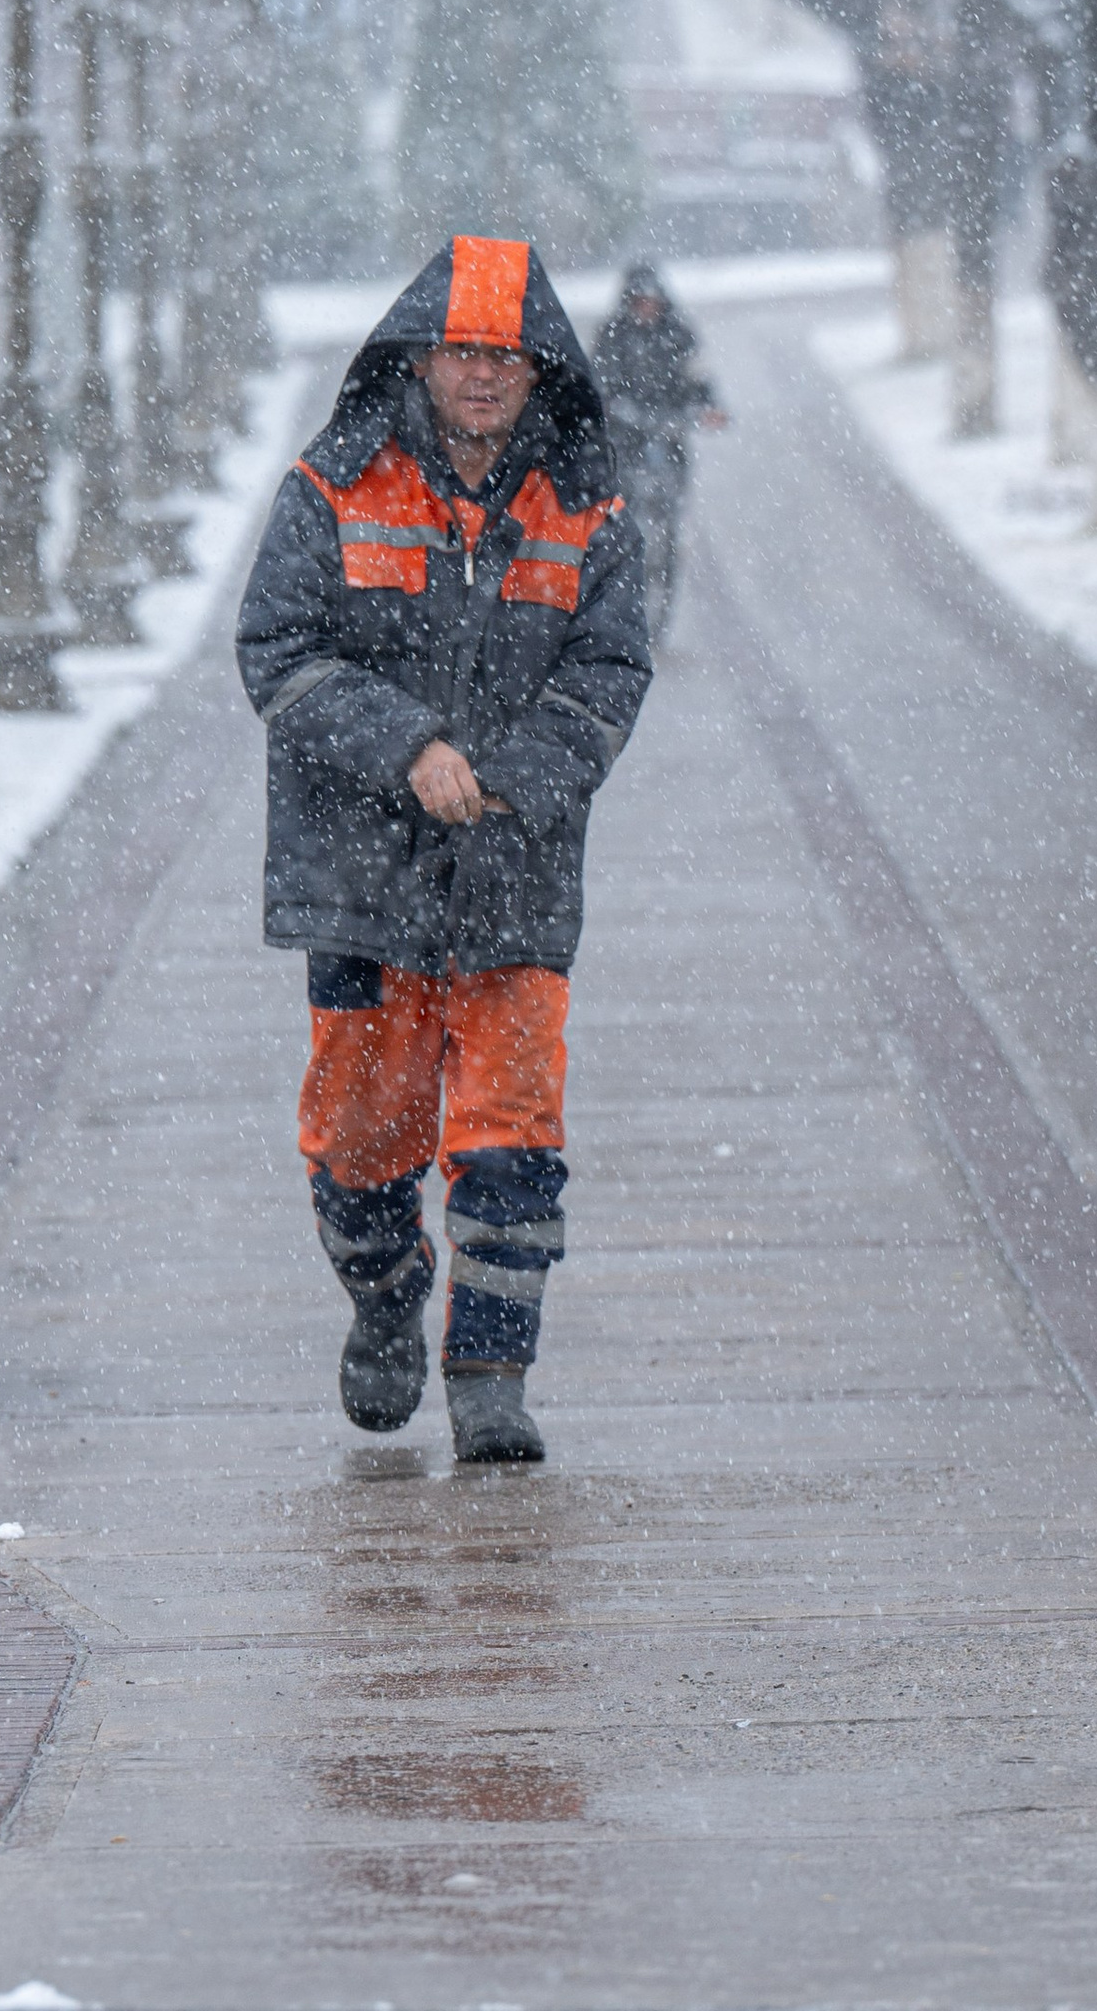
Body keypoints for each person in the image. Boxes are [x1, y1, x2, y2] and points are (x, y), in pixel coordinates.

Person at [236, 233, 651, 1465]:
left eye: (505, 356)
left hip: (517, 883)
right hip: (357, 885)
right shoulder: (333, 485)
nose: (482, 373)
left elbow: (611, 669)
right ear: (419, 356)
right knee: (361, 1143)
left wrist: (513, 780)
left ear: (539, 369)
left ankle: (489, 1378)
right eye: (463, 350)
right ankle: (383, 1292)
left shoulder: (585, 505)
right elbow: (277, 650)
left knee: (512, 1133)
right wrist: (407, 746)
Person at [590, 260, 721, 633]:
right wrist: (607, 407)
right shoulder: (612, 335)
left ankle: (664, 573)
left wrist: (709, 406)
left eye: (652, 301)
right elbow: (597, 379)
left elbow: (699, 377)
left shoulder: (679, 334)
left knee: (671, 512)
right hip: (625, 440)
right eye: (640, 301)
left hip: (670, 439)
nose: (646, 308)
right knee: (615, 513)